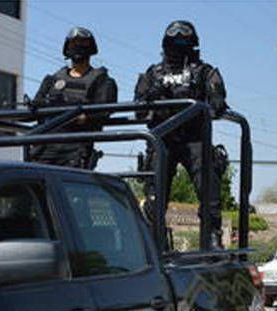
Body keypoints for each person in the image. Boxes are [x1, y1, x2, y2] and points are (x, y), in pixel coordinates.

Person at [134, 20, 228, 247]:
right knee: (155, 195)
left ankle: (211, 237)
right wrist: (151, 96)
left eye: (182, 41)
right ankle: (155, 242)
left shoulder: (205, 71)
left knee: (209, 191)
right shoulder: (152, 74)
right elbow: (139, 111)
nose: (177, 46)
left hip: (195, 138)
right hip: (162, 139)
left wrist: (213, 99)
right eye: (173, 41)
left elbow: (218, 103)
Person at [29, 27, 118, 169]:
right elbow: (36, 108)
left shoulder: (102, 81)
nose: (78, 47)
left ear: (91, 48)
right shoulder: (52, 80)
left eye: (83, 43)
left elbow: (103, 112)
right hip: (45, 145)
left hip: (76, 146)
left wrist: (83, 117)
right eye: (74, 43)